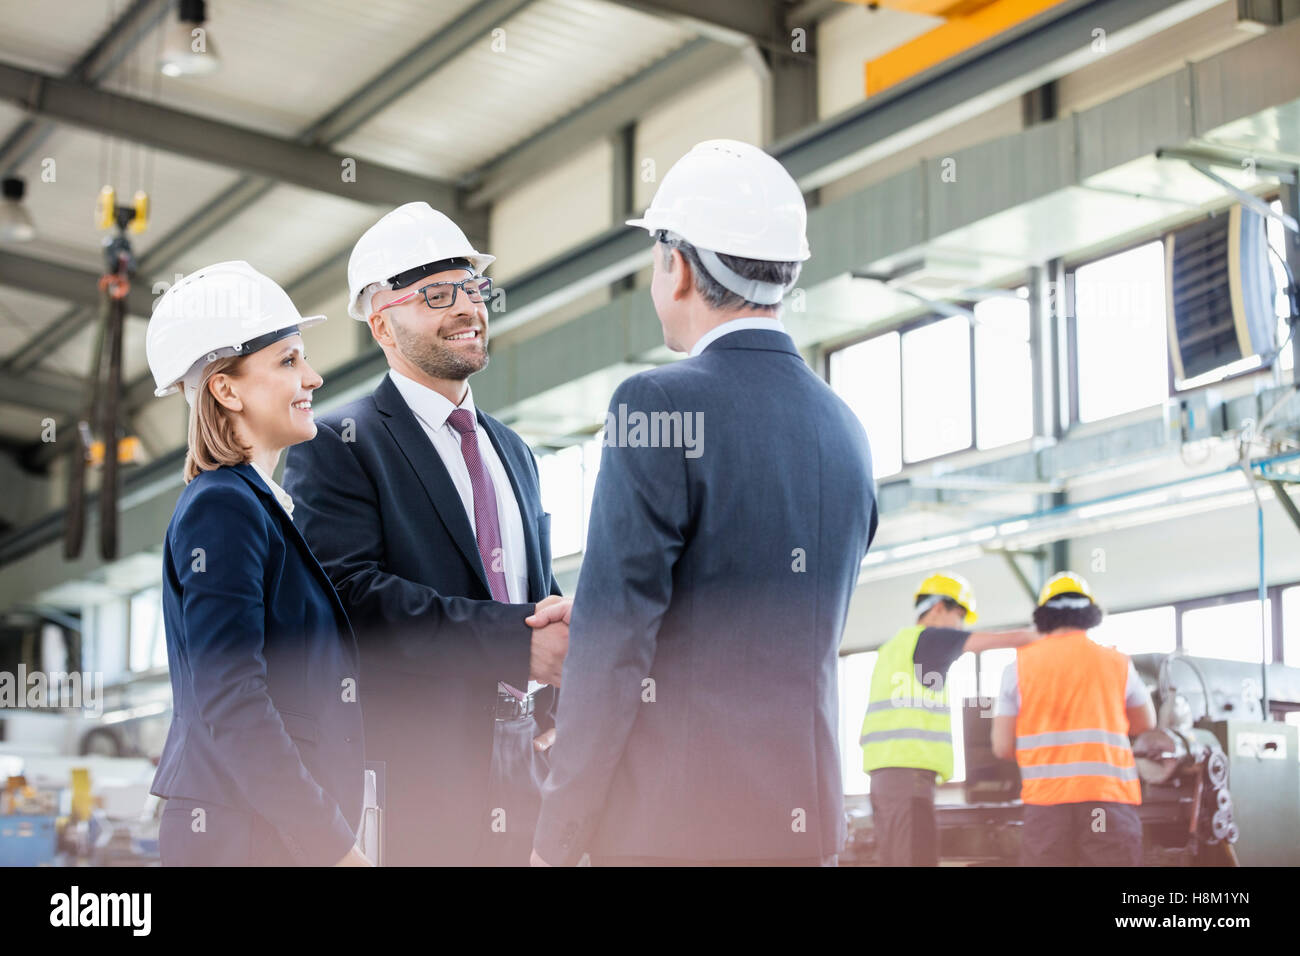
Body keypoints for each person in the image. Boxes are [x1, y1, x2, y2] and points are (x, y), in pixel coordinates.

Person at [526, 139, 877, 866]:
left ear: (676, 265)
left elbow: (616, 651)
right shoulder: (845, 427)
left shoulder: (655, 402)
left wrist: (555, 841)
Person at [283, 202, 568, 866]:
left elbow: (530, 590)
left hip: (522, 765)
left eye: (474, 288)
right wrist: (514, 645)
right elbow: (352, 601)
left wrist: (557, 691)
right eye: (439, 294)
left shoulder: (514, 451)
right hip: (417, 774)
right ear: (381, 322)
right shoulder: (340, 443)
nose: (468, 307)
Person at [145, 261, 369, 866]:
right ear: (227, 388)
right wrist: (336, 848)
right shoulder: (222, 507)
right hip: (243, 836)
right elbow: (233, 701)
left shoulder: (256, 507)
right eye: (289, 360)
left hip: (262, 829)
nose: (315, 377)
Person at [861, 571, 1039, 866]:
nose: (961, 626)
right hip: (910, 776)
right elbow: (999, 640)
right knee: (915, 859)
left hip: (884, 779)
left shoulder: (892, 649)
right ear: (938, 608)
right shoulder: (931, 639)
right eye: (959, 616)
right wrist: (1047, 634)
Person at [992, 571, 1156, 866]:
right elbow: (1147, 723)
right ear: (1089, 613)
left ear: (1042, 616)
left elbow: (1002, 746)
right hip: (1107, 802)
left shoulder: (1017, 667)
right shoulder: (1117, 663)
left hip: (1047, 806)